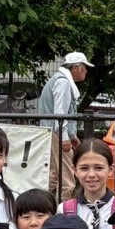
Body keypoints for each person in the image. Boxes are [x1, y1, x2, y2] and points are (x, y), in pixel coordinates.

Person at [36, 51, 92, 198]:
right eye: (85, 67)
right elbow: (60, 114)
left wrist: (71, 135)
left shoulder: (59, 80)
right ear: (76, 67)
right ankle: (63, 215)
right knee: (67, 180)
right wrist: (65, 137)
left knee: (53, 176)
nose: (86, 71)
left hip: (52, 133)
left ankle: (37, 206)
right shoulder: (63, 83)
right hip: (57, 134)